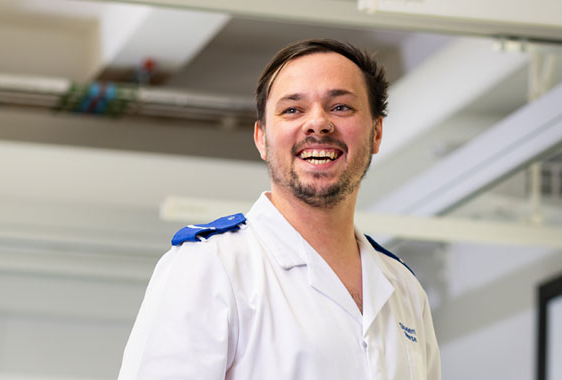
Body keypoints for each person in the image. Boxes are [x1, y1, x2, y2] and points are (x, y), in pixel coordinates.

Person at [117, 39, 441, 380]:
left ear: (376, 132)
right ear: (262, 139)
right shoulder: (211, 266)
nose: (318, 123)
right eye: (292, 110)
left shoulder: (404, 289)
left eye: (341, 107)